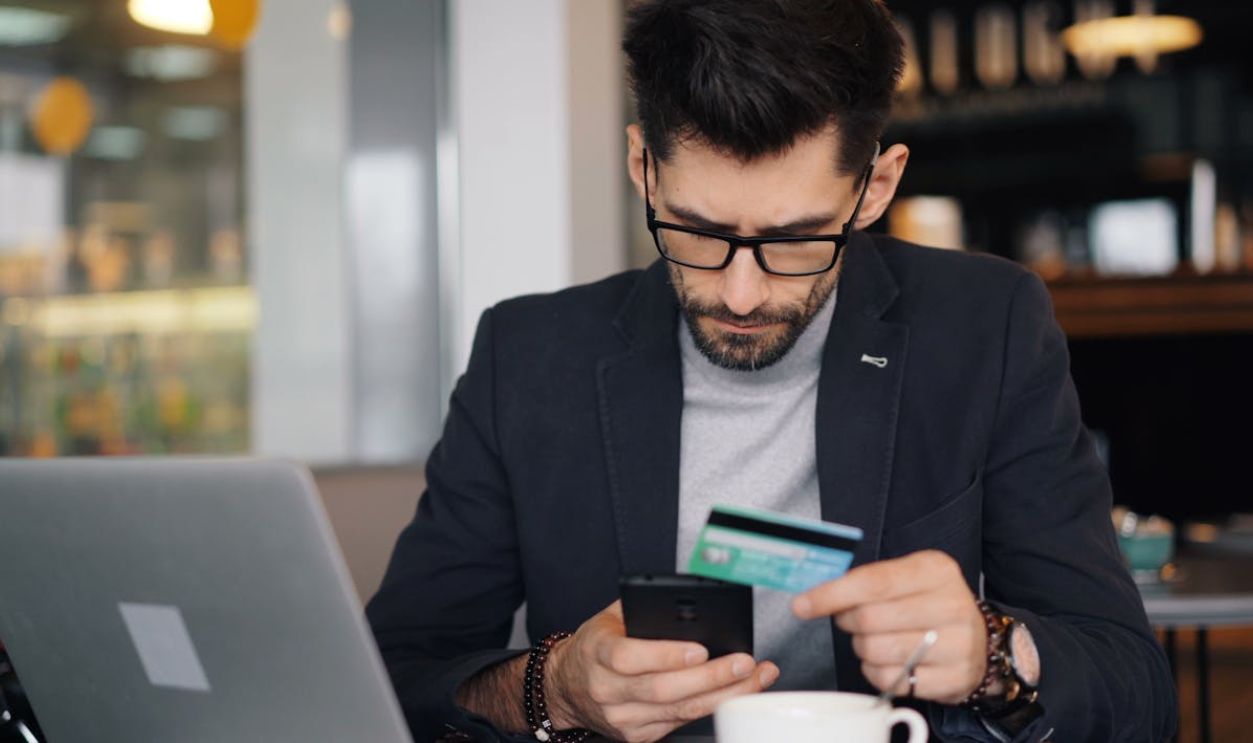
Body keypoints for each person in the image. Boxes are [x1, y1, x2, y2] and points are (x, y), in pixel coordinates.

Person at [366, 1, 1177, 740]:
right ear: (642, 166)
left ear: (875, 187)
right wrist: (554, 688)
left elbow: (1133, 690)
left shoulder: (985, 330)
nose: (741, 292)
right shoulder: (528, 356)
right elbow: (390, 681)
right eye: (694, 230)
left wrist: (997, 654)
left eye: (795, 240)